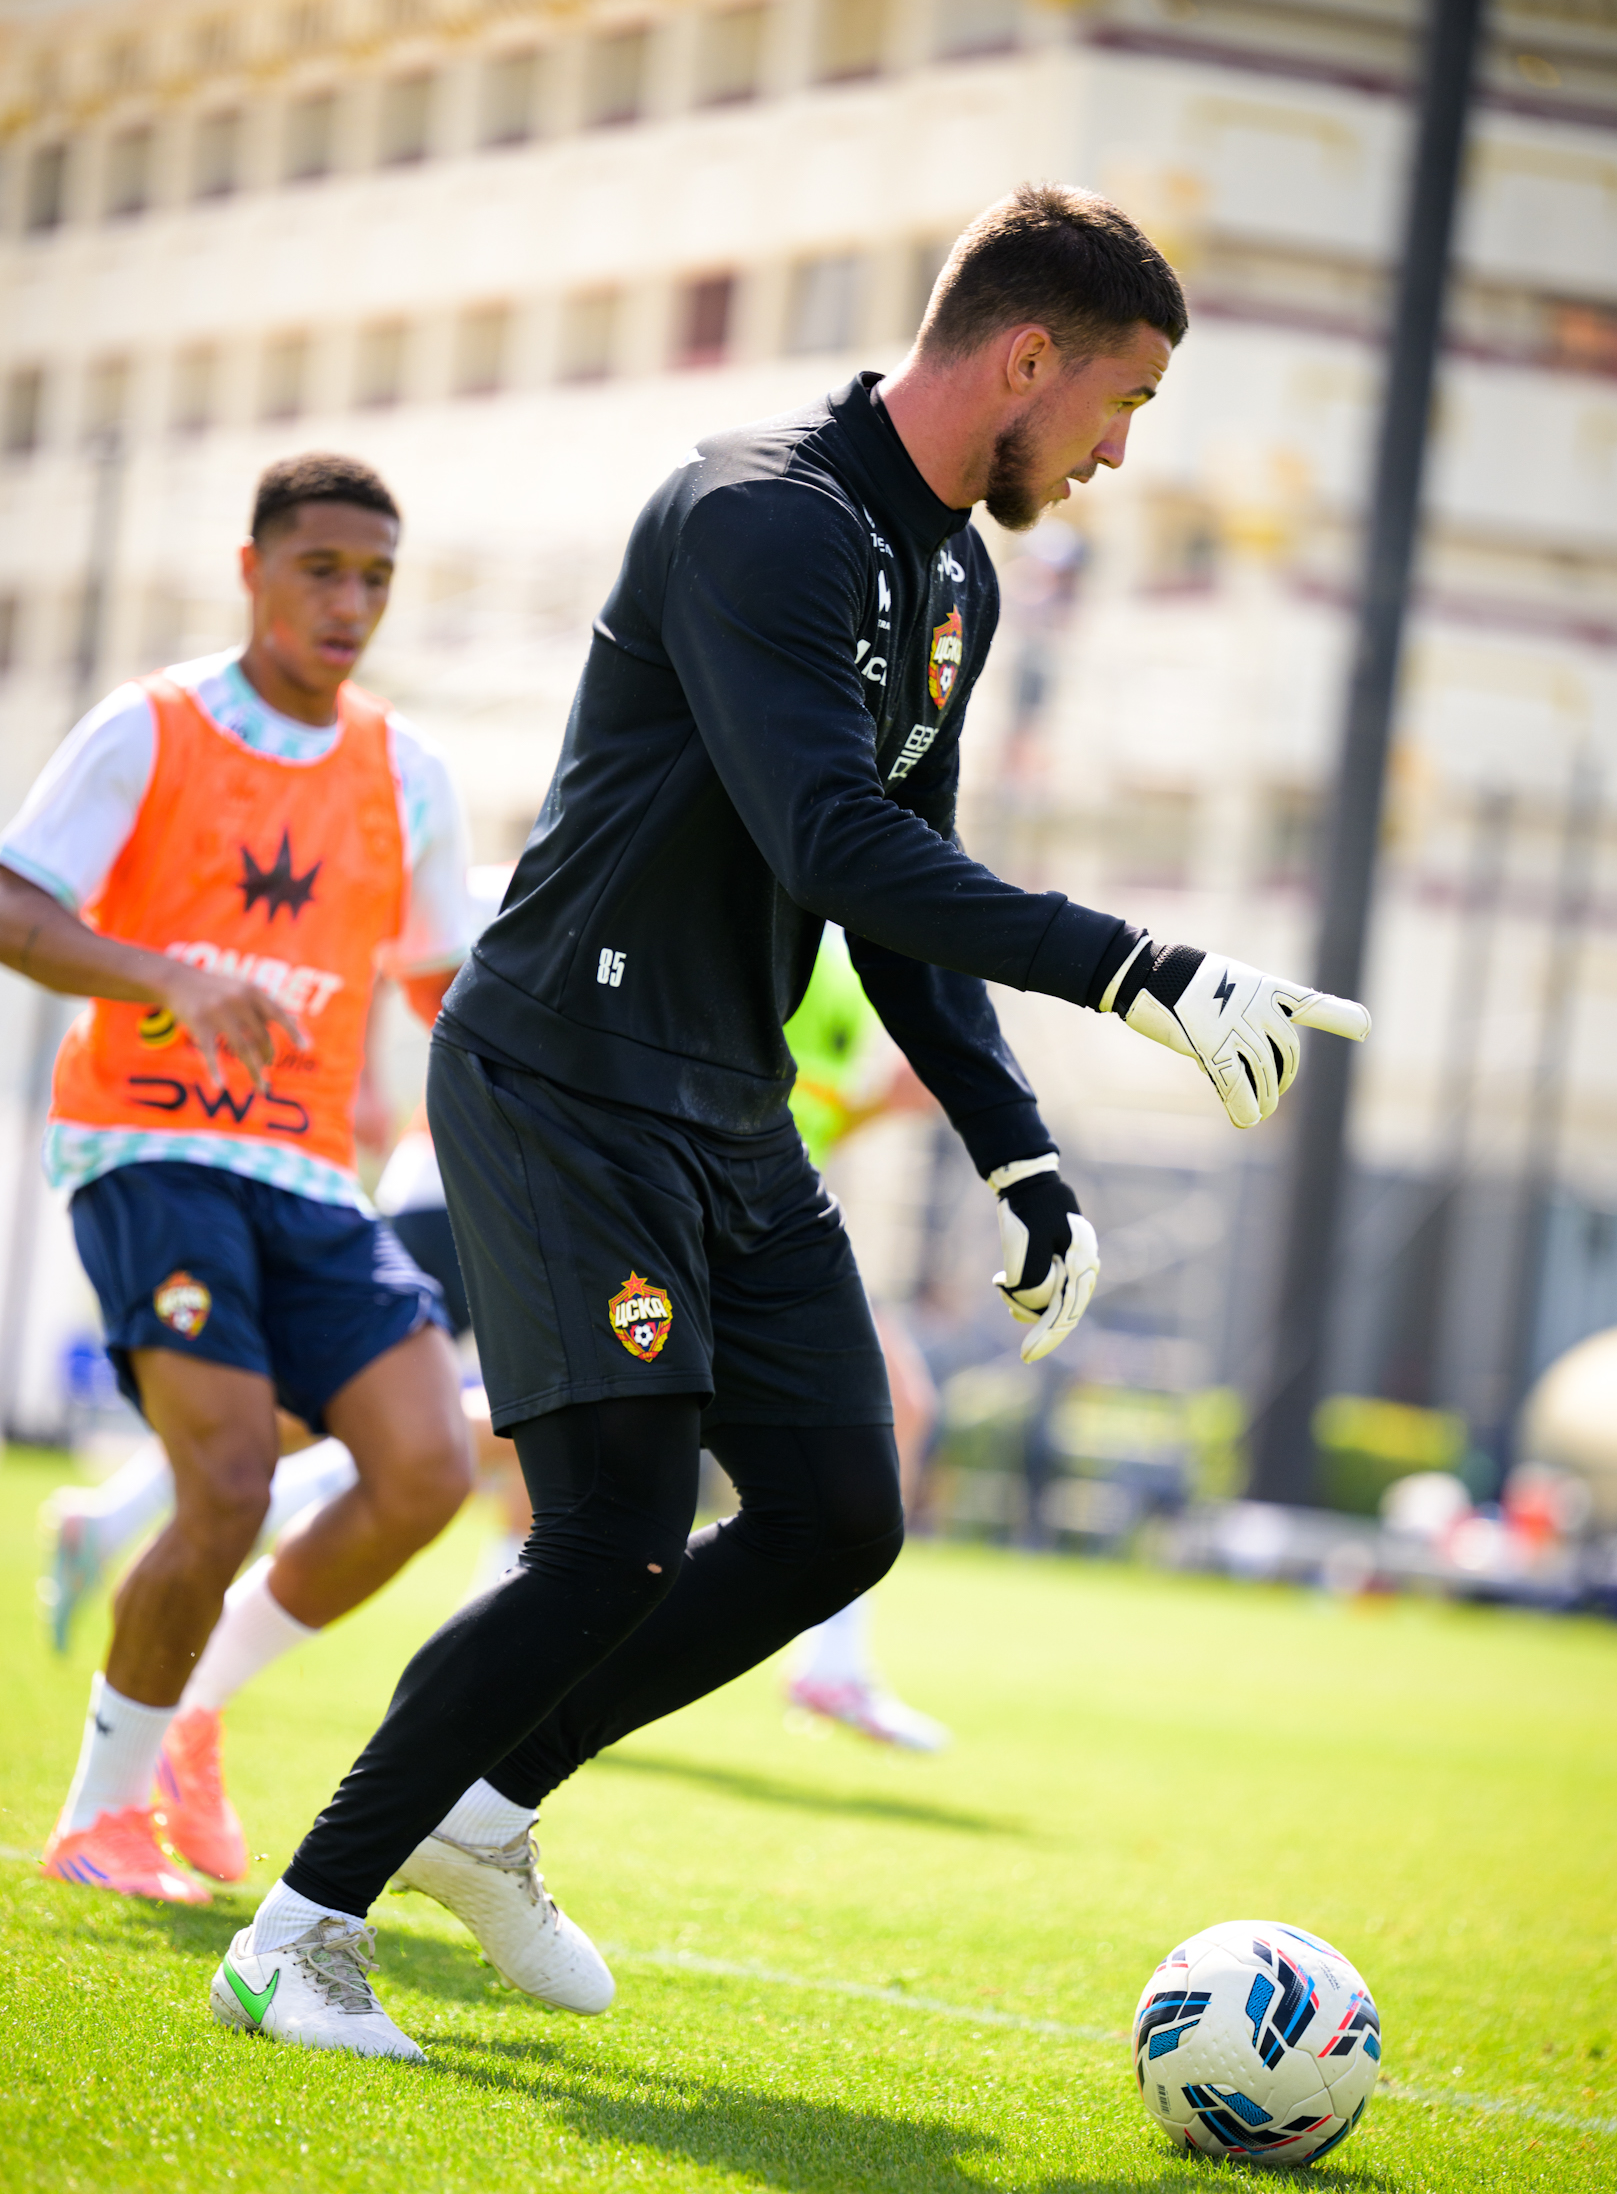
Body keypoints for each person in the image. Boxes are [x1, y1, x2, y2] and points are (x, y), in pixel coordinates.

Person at [217, 183, 1367, 2062]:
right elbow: (829, 842)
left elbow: (899, 891)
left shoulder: (953, 577)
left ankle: (481, 1815)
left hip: (725, 1105)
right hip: (562, 1081)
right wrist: (1141, 969)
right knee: (611, 1535)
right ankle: (298, 1932)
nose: (1117, 450)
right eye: (1122, 401)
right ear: (1026, 357)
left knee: (837, 1515)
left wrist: (1017, 1151)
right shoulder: (757, 513)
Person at [0, 452, 482, 1907]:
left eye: (375, 578)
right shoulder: (149, 724)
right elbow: (15, 902)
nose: (350, 603)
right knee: (226, 1480)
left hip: (311, 1176)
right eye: (321, 570)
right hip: (148, 1147)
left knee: (427, 1466)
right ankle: (99, 1816)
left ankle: (193, 1714)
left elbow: (445, 990)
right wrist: (164, 974)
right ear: (252, 569)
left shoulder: (408, 771)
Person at [779, 923, 950, 1752]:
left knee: (898, 1405)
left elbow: (803, 1116)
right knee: (573, 1426)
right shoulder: (770, 922)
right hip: (710, 1219)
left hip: (765, 1224)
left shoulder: (851, 965)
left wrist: (882, 1103)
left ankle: (833, 1663)